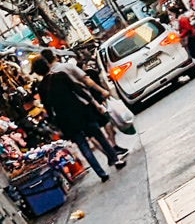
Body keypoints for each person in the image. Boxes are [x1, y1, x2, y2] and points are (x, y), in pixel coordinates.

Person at [34, 48, 128, 179]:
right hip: (80, 111)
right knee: (99, 135)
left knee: (84, 146)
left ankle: (101, 173)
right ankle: (115, 159)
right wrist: (94, 102)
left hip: (65, 121)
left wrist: (57, 126)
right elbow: (78, 90)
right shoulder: (60, 75)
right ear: (47, 65)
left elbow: (49, 109)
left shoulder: (41, 88)